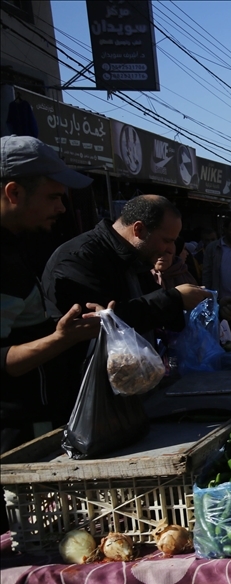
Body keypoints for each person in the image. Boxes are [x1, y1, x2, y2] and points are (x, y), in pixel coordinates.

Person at [1, 136, 108, 453]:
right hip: (12, 433)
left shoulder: (18, 244)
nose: (62, 208)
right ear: (14, 192)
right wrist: (63, 338)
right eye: (53, 197)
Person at [43, 195, 212, 340]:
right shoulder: (80, 258)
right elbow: (97, 325)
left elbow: (153, 313)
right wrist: (173, 299)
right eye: (166, 240)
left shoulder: (136, 258)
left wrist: (210, 306)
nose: (170, 249)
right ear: (139, 229)